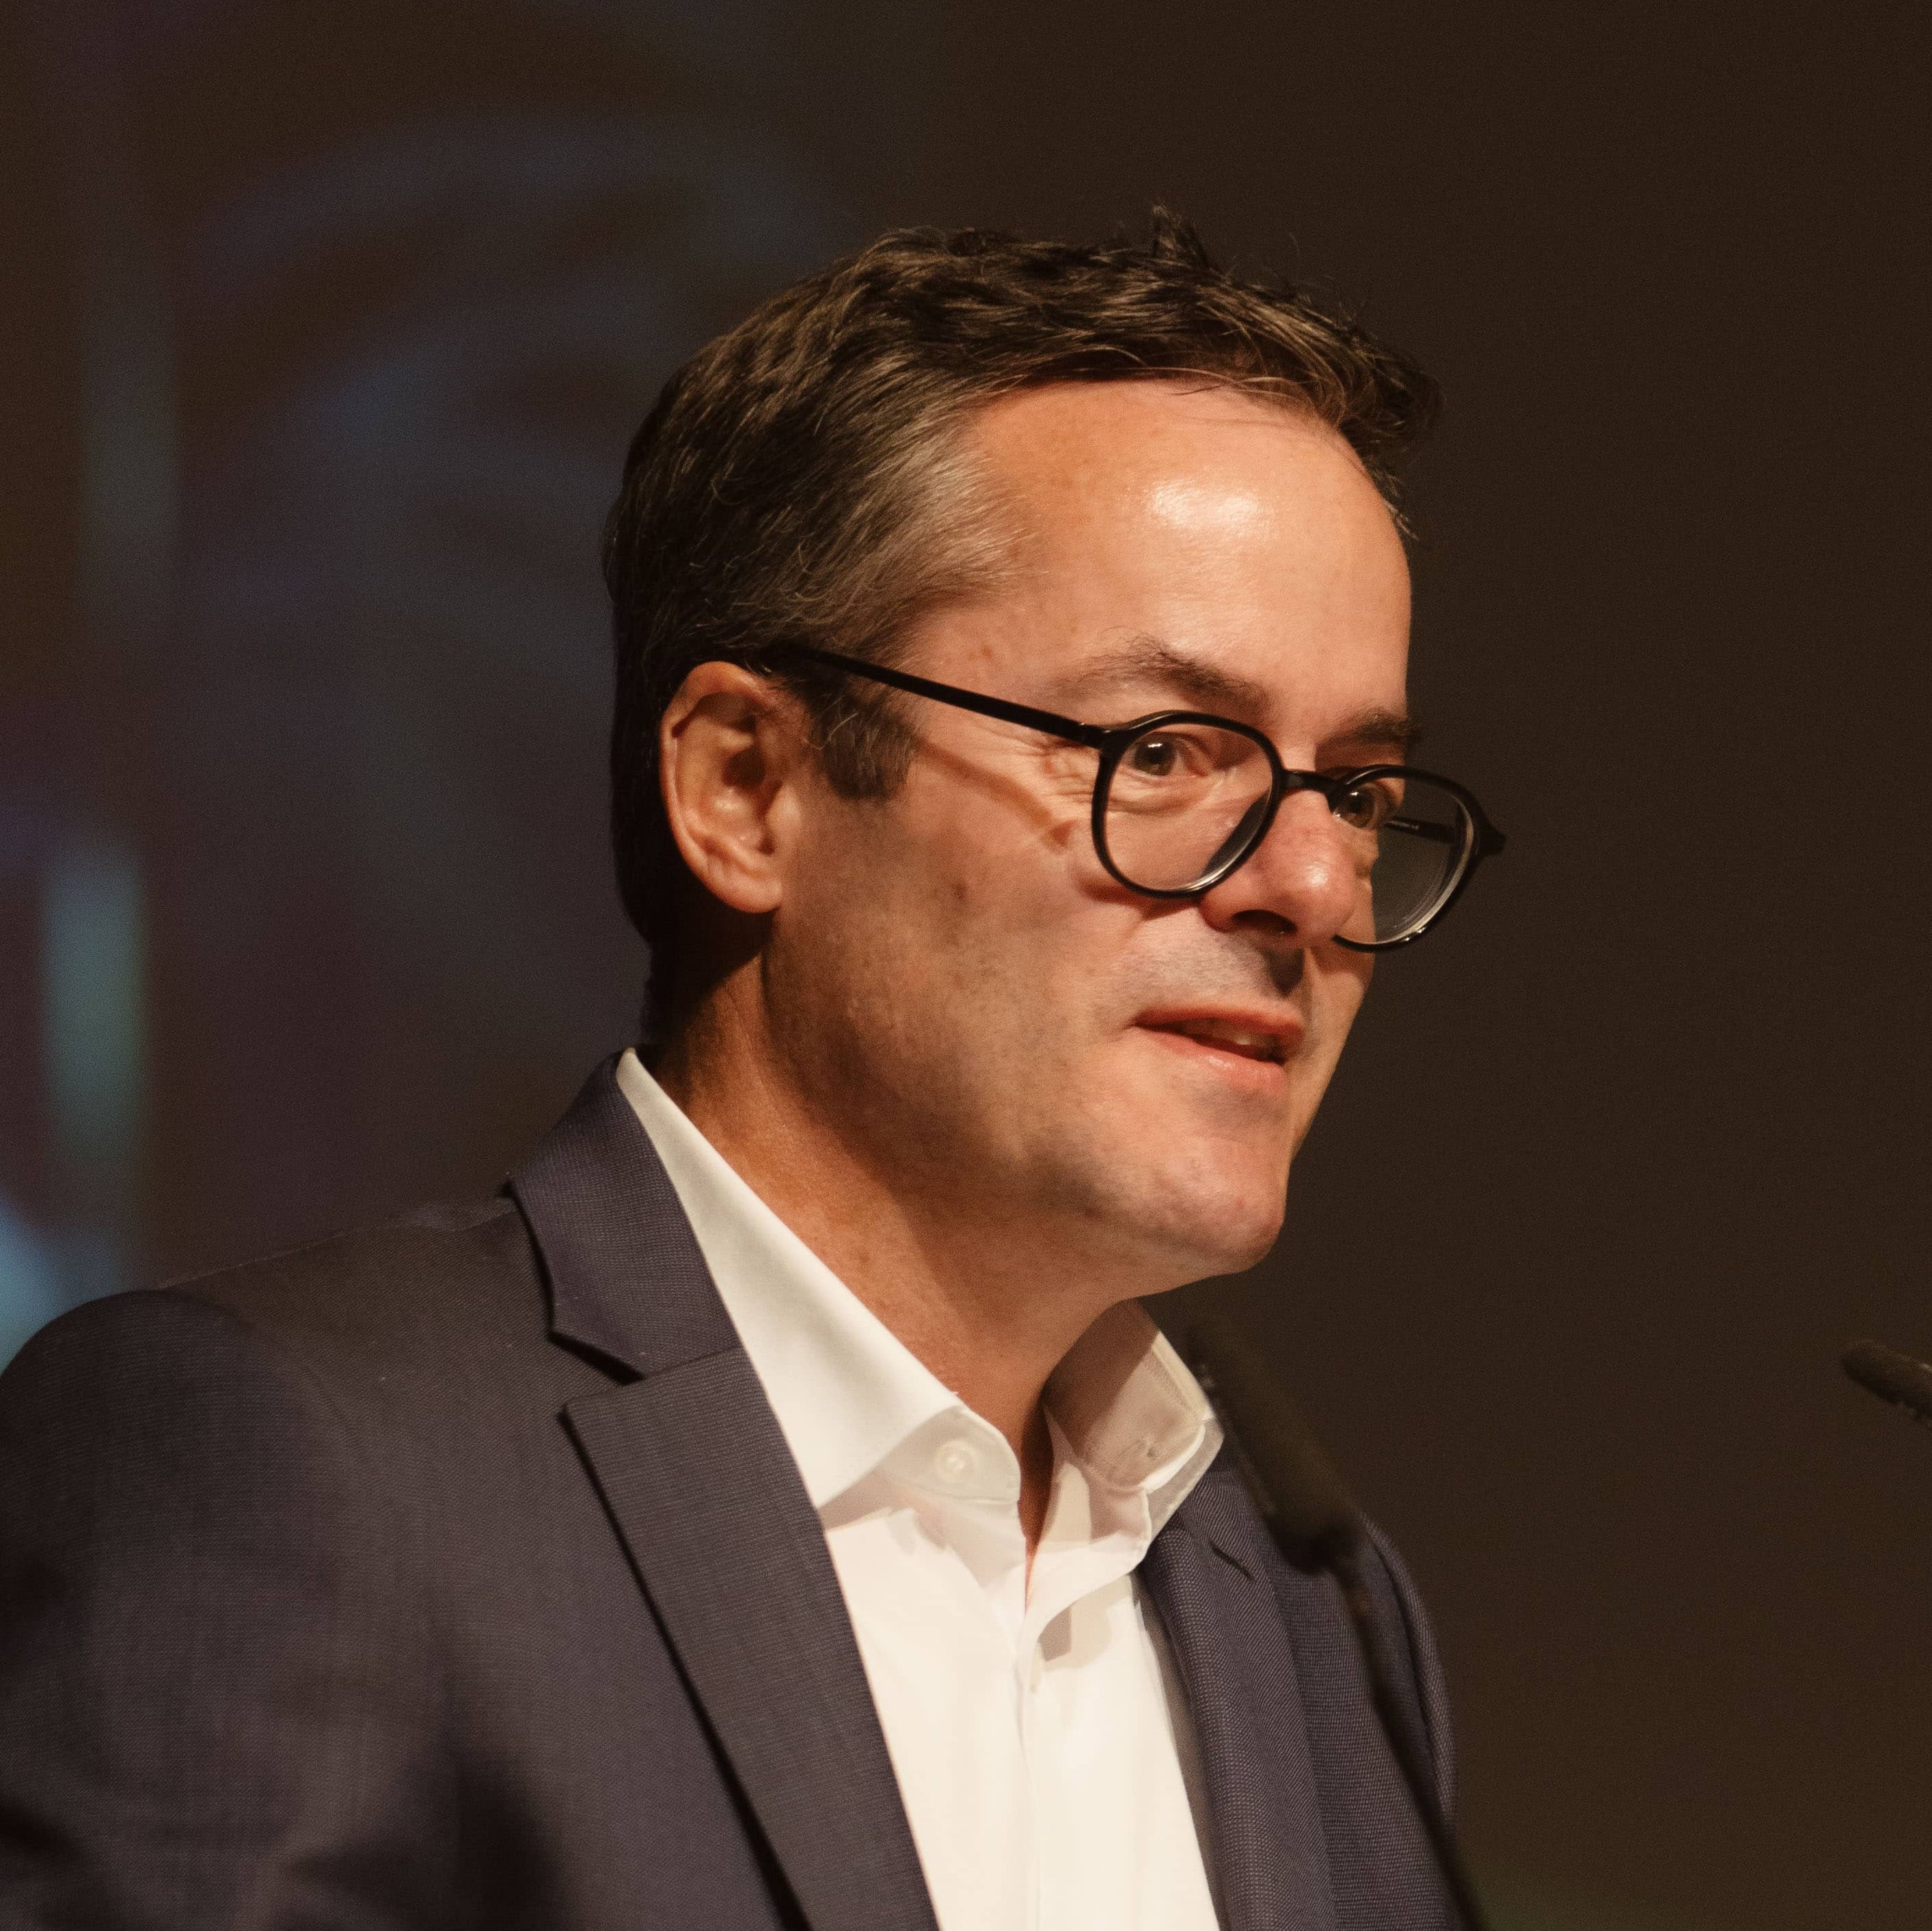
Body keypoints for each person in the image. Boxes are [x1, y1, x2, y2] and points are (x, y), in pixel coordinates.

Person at [0, 215, 1504, 1930]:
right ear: (745, 787)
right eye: (1166, 751)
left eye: (1357, 794)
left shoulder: (1310, 1596)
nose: (1310, 884)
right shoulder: (303, 1463)